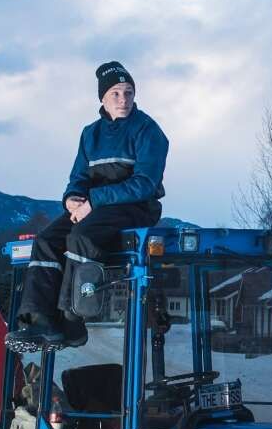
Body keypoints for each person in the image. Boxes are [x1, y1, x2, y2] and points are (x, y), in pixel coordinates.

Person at [11, 61, 168, 348]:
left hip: (136, 207)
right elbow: (79, 177)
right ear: (103, 98)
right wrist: (72, 198)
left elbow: (145, 184)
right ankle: (40, 320)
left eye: (128, 92)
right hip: (96, 207)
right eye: (115, 93)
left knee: (81, 236)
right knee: (46, 240)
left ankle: (71, 319)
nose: (123, 100)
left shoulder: (148, 131)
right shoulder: (90, 134)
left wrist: (93, 201)